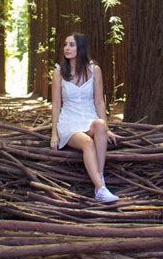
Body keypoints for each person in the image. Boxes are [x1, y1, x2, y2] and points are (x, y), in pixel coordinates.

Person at [50, 32, 119, 203]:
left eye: (72, 45)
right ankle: (101, 189)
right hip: (69, 122)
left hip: (89, 118)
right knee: (88, 142)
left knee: (101, 125)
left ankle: (99, 184)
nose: (67, 48)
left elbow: (99, 102)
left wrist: (107, 129)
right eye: (65, 44)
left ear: (80, 48)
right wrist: (54, 133)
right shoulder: (59, 72)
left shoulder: (94, 70)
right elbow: (57, 105)